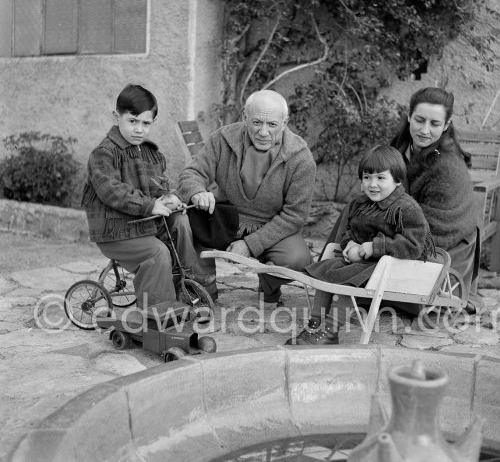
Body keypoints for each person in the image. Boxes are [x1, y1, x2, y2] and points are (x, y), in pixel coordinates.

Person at [177, 89, 316, 305]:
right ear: (245, 117)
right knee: (188, 221)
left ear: (285, 122)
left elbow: (295, 216)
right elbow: (191, 173)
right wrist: (197, 192)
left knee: (298, 259)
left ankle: (268, 284)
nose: (263, 131)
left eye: (272, 125)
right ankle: (205, 287)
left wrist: (250, 244)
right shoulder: (223, 139)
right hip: (225, 220)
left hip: (272, 226)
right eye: (256, 122)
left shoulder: (301, 158)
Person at [287, 145, 435, 345]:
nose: (372, 184)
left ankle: (330, 331)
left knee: (345, 280)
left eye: (381, 178)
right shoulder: (361, 204)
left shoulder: (406, 209)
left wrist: (373, 247)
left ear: (398, 180)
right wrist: (351, 245)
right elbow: (350, 231)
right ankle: (315, 324)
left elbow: (413, 245)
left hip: (388, 266)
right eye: (367, 177)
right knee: (328, 271)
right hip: (362, 262)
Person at [81, 84, 197, 308]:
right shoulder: (103, 154)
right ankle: (157, 313)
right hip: (115, 230)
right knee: (157, 252)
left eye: (146, 123)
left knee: (181, 222)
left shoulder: (150, 152)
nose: (139, 130)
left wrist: (169, 198)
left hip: (143, 222)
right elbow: (112, 190)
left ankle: (186, 285)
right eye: (132, 121)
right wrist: (149, 205)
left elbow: (158, 187)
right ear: (117, 117)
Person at [390, 87, 479, 304]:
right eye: (419, 120)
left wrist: (379, 237)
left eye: (435, 124)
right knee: (355, 211)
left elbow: (433, 228)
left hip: (443, 245)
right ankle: (331, 269)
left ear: (446, 125)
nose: (424, 130)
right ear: (409, 116)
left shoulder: (447, 166)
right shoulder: (400, 149)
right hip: (403, 227)